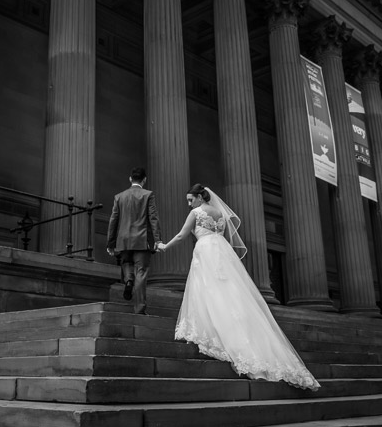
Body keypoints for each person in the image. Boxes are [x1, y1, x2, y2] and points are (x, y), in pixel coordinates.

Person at [156, 184, 319, 391]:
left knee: (207, 289)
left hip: (206, 250)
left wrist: (164, 246)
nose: (189, 203)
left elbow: (182, 235)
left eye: (190, 199)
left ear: (199, 197)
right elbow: (222, 235)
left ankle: (212, 329)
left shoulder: (196, 212)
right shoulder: (220, 213)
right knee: (229, 291)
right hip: (222, 251)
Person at [105, 165, 162, 313]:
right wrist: (157, 240)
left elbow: (113, 220)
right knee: (141, 272)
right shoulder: (148, 195)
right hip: (142, 240)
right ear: (144, 180)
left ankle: (129, 279)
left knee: (126, 263)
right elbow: (153, 218)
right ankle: (140, 308)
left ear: (130, 179)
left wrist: (110, 243)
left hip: (123, 240)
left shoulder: (119, 197)